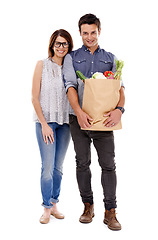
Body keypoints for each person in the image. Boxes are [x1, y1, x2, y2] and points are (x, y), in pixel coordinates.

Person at [63, 14, 125, 231]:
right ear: (80, 33)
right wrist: (78, 112)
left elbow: (120, 88)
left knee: (108, 166)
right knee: (82, 163)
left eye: (93, 32)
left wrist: (119, 110)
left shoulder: (110, 57)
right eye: (85, 33)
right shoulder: (71, 57)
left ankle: (111, 211)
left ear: (99, 32)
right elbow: (70, 86)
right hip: (77, 120)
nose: (89, 37)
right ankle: (87, 206)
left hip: (103, 121)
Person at [32, 29, 73, 224]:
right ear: (52, 45)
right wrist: (44, 124)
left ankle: (55, 202)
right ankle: (46, 208)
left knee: (58, 167)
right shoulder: (42, 65)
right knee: (47, 167)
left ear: (69, 46)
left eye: (65, 44)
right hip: (46, 122)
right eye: (58, 43)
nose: (61, 47)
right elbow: (34, 97)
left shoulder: (70, 68)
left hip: (65, 123)